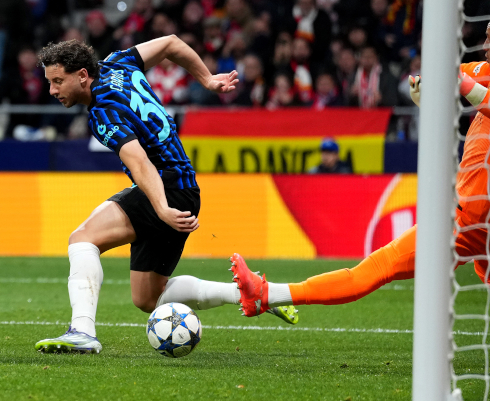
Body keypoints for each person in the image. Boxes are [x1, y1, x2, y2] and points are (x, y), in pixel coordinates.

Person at [232, 8, 490, 372]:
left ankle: (265, 295)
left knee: (377, 267)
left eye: (489, 39)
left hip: (473, 214)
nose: (483, 47)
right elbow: (454, 73)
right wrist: (429, 86)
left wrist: (462, 86)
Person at [33, 37, 296, 354]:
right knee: (147, 298)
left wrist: (160, 208)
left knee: (82, 239)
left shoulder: (103, 112)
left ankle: (83, 331)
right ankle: (253, 293)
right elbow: (171, 43)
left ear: (83, 76)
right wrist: (207, 78)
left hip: (165, 188)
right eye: (50, 82)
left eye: (58, 81)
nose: (53, 90)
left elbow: (140, 162)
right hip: (183, 187)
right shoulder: (119, 62)